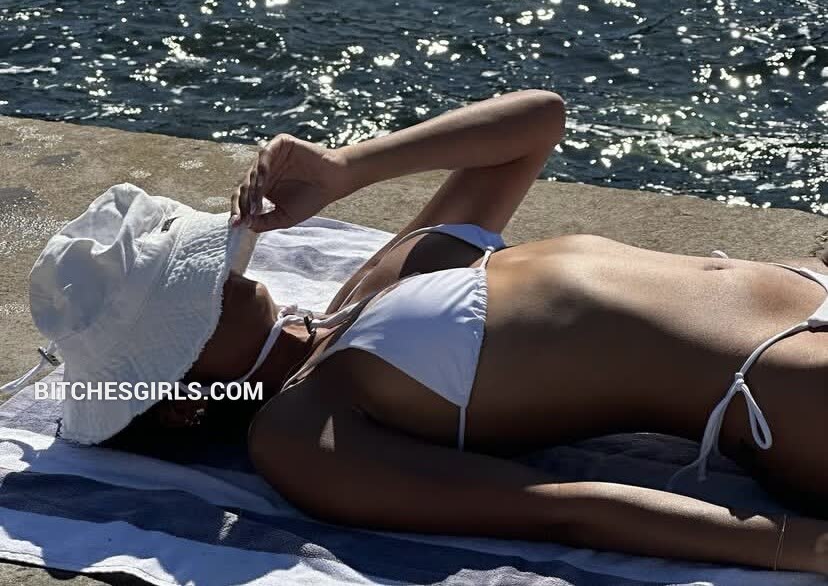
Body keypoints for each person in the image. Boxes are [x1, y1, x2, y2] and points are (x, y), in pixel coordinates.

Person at [3, 89, 827, 575]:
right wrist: (803, 548)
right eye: (184, 304)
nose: (220, 275)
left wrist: (348, 167)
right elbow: (563, 511)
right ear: (185, 400)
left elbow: (536, 122)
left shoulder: (365, 288)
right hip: (801, 395)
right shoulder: (299, 433)